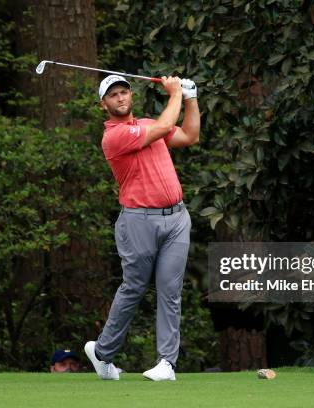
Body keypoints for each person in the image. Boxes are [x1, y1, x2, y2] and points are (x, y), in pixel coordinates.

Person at [84, 73, 200, 381]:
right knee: (134, 287)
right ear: (103, 105)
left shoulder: (149, 123)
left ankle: (167, 364)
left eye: (124, 92)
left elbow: (189, 136)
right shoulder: (114, 137)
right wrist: (175, 92)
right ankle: (102, 353)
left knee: (170, 291)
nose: (120, 97)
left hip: (176, 218)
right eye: (113, 95)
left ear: (131, 96)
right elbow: (164, 127)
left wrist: (190, 98)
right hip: (138, 220)